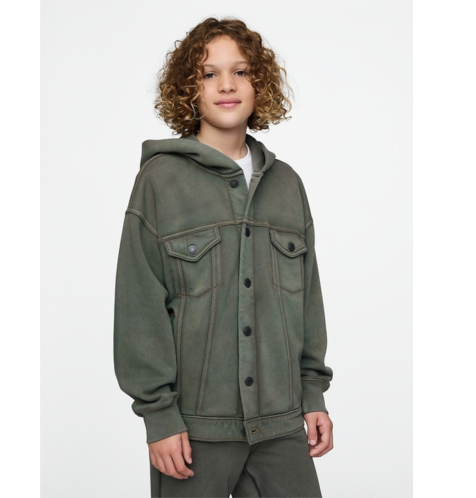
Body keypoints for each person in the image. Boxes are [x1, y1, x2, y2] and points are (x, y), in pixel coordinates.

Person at [114, 17, 334, 498]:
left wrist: (312, 393)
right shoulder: (160, 182)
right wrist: (159, 417)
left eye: (241, 71)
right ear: (188, 89)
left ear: (260, 84)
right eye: (209, 74)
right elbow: (140, 307)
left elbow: (307, 301)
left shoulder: (287, 185)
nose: (227, 85)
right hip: (194, 431)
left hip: (282, 424)